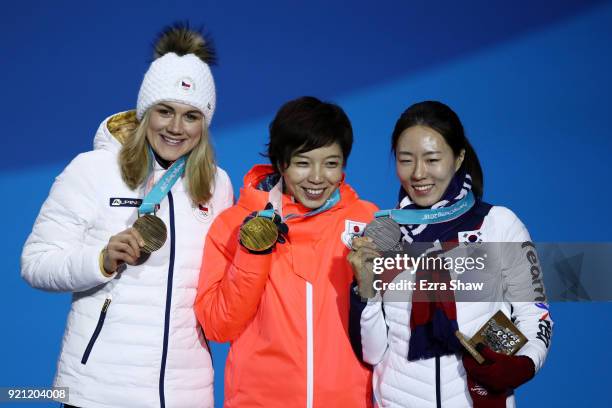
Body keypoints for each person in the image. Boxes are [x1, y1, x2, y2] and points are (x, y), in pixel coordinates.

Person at [21, 24, 233, 408]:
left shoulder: (217, 186)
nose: (175, 127)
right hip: (99, 391)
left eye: (191, 116)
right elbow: (36, 263)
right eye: (164, 111)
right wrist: (99, 260)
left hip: (186, 394)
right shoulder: (94, 170)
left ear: (205, 122)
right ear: (145, 111)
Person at [348, 101, 552, 407]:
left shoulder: (498, 224)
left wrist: (524, 363)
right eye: (406, 160)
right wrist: (366, 290)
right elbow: (373, 352)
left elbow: (535, 314)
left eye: (432, 159)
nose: (418, 173)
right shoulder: (382, 235)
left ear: (458, 158)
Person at [195, 96, 376, 407]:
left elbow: (396, 328)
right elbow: (218, 326)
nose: (318, 177)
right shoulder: (235, 225)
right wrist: (253, 250)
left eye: (331, 163)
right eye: (303, 163)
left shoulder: (368, 222)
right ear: (281, 163)